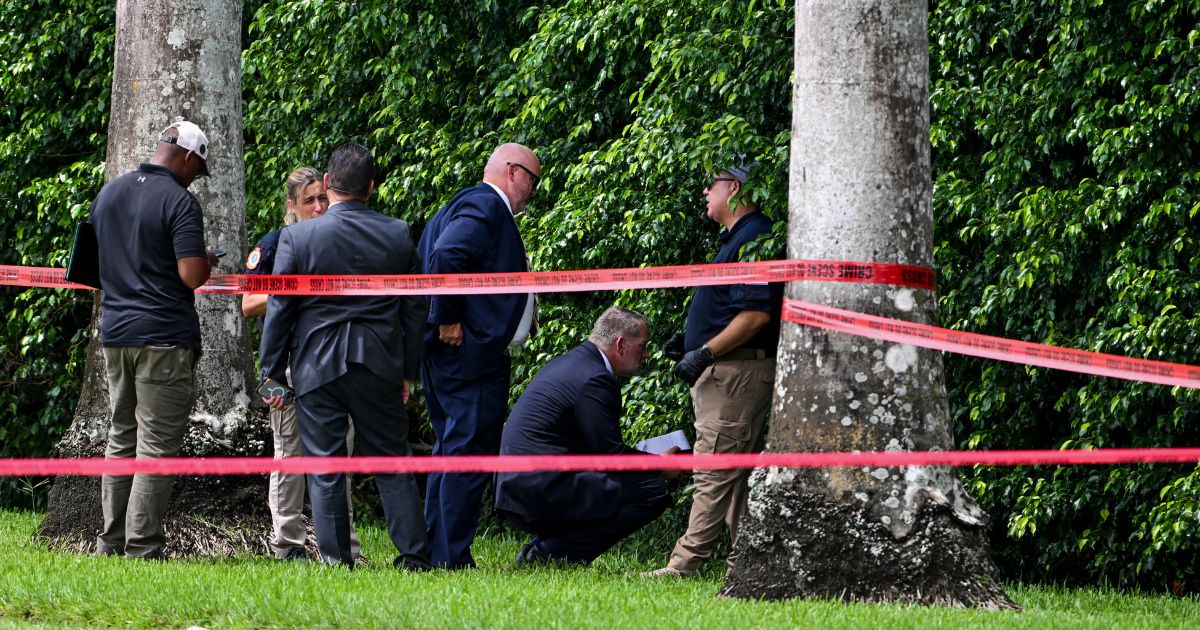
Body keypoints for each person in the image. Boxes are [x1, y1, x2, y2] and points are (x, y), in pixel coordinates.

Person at [258, 143, 430, 570]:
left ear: (329, 184)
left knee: (326, 467)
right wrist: (408, 370)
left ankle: (337, 561)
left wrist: (270, 372)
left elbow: (280, 309)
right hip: (380, 364)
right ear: (371, 187)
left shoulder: (297, 237)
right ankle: (414, 555)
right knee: (393, 461)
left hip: (316, 366)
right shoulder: (397, 233)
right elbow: (415, 307)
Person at [645, 161, 781, 578]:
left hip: (734, 376)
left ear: (735, 189)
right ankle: (748, 562)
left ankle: (684, 565)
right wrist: (687, 344)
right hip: (727, 374)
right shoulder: (737, 238)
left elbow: (755, 315)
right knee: (732, 476)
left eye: (712, 185)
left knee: (712, 472)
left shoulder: (755, 237)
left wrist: (704, 351)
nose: (705, 192)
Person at [91, 119, 220, 559]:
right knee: (156, 445)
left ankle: (110, 542)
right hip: (163, 337)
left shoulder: (109, 193)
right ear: (187, 157)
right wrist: (204, 261)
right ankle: (143, 548)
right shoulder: (180, 203)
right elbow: (190, 275)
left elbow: (90, 269)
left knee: (120, 437)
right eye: (197, 170)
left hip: (115, 335)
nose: (194, 179)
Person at [419, 142, 541, 569]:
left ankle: (435, 550)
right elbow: (448, 255)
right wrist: (448, 317)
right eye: (533, 180)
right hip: (467, 355)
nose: (533, 190)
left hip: (455, 355)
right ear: (513, 171)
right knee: (466, 453)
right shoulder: (486, 205)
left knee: (451, 449)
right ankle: (450, 556)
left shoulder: (465, 205)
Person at [241, 166, 362, 562]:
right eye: (308, 200)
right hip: (288, 366)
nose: (317, 206)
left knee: (339, 454)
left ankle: (347, 547)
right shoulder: (275, 244)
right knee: (289, 455)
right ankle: (288, 543)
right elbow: (247, 303)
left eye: (322, 198)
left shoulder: (338, 240)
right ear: (290, 204)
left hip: (333, 364)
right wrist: (292, 294)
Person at [495, 306, 676, 565]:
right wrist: (662, 466)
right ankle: (551, 554)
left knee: (622, 484)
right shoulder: (596, 378)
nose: (646, 353)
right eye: (643, 345)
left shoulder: (572, 363)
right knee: (652, 491)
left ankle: (542, 547)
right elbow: (610, 456)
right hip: (539, 493)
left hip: (519, 488)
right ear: (621, 344)